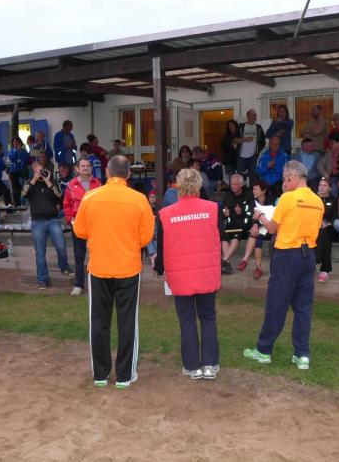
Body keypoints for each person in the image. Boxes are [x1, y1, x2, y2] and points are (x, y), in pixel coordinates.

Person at [72, 155, 154, 389]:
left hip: (99, 268)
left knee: (98, 321)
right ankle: (125, 375)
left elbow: (80, 231)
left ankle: (100, 373)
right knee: (128, 322)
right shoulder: (139, 199)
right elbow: (145, 237)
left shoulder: (90, 197)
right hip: (128, 268)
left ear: (107, 172)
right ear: (128, 174)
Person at [244, 160, 323, 370]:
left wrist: (260, 216)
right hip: (308, 255)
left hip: (287, 254)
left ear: (293, 177)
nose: (284, 184)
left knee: (276, 304)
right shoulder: (318, 201)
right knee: (303, 307)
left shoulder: (288, 198)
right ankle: (302, 354)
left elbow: (271, 229)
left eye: (285, 180)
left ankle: (263, 350)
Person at [154, 168, 221, 380]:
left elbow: (161, 247)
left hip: (180, 274)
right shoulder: (212, 209)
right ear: (199, 184)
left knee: (187, 319)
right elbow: (219, 237)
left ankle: (192, 366)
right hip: (206, 271)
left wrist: (160, 269)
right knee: (208, 317)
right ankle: (210, 364)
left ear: (178, 185)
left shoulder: (166, 214)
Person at [23, 161, 75, 289]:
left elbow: (59, 195)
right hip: (37, 222)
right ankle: (42, 280)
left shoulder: (52, 181)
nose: (40, 173)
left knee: (61, 246)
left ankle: (64, 267)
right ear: (33, 172)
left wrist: (47, 181)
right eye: (37, 171)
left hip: (53, 220)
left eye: (42, 170)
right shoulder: (29, 183)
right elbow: (24, 194)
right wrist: (34, 180)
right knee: (40, 252)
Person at [63, 158, 102, 296]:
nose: (85, 168)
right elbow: (66, 205)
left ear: (91, 168)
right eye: (82, 166)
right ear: (77, 169)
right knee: (79, 256)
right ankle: (79, 285)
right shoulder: (71, 185)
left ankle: (97, 284)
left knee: (97, 255)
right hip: (78, 224)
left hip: (95, 224)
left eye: (87, 166)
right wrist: (71, 220)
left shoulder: (98, 184)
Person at [238, 180, 274, 279]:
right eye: (253, 189)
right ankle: (255, 266)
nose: (253, 191)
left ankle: (246, 260)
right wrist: (255, 224)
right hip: (258, 229)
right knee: (255, 235)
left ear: (263, 191)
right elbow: (251, 217)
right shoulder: (252, 202)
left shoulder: (271, 201)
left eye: (256, 189)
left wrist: (257, 222)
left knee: (255, 233)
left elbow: (271, 217)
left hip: (270, 228)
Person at [220, 174, 254, 274]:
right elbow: (223, 208)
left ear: (241, 184)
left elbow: (251, 212)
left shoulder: (248, 194)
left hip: (243, 226)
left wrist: (241, 211)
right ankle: (227, 263)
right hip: (231, 224)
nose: (232, 186)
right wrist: (225, 212)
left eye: (235, 184)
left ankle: (224, 260)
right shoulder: (228, 194)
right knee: (224, 238)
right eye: (231, 184)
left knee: (236, 236)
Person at [315, 176, 338, 283]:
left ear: (330, 188)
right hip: (314, 227)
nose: (322, 187)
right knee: (321, 235)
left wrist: (327, 223)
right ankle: (325, 270)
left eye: (325, 185)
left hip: (329, 228)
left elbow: (335, 216)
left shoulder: (334, 200)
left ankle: (321, 266)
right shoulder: (313, 198)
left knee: (324, 236)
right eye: (320, 185)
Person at [236, 109, 266, 187]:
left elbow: (263, 141)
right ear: (248, 116)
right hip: (241, 156)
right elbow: (235, 140)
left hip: (253, 156)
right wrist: (245, 139)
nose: (254, 117)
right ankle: (241, 191)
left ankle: (252, 192)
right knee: (240, 176)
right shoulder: (241, 127)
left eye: (255, 115)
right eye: (253, 115)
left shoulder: (258, 127)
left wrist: (257, 151)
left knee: (252, 176)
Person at [7, 136, 30, 207]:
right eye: (14, 142)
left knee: (24, 186)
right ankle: (17, 204)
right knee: (15, 189)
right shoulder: (11, 151)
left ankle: (24, 202)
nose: (15, 143)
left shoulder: (24, 151)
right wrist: (17, 151)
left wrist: (20, 152)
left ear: (20, 142)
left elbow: (25, 158)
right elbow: (12, 158)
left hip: (22, 171)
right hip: (13, 172)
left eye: (17, 142)